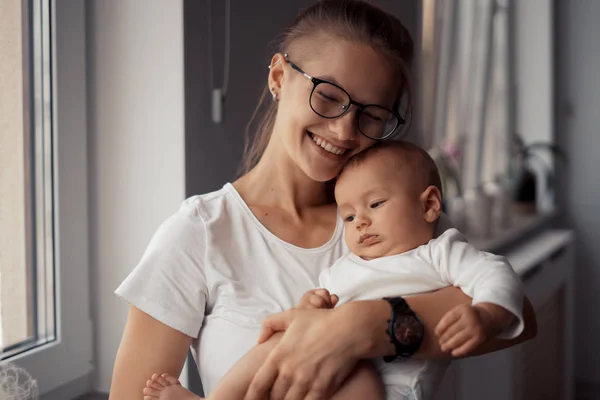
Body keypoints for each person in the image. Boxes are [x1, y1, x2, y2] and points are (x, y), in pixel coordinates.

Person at [110, 1, 537, 399]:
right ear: (279, 77)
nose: (345, 131)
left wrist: (362, 326)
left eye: (371, 115)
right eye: (329, 96)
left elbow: (518, 321)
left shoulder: (393, 217)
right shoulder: (200, 234)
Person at [141, 141, 525, 400]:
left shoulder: (439, 252)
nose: (359, 223)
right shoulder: (347, 264)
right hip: (328, 377)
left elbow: (496, 274)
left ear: (429, 206)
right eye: (350, 215)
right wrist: (312, 306)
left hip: (383, 388)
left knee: (355, 375)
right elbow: (323, 314)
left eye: (375, 204)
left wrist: (487, 315)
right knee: (281, 342)